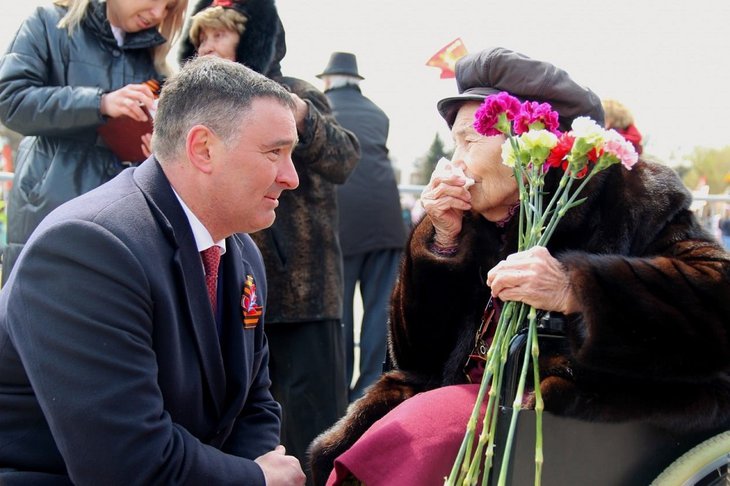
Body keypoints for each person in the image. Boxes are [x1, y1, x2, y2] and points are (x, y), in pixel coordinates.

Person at [308, 47, 730, 485]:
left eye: (469, 141)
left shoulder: (634, 193)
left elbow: (718, 297)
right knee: (378, 438)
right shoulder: (474, 217)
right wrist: (443, 244)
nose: (454, 163)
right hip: (474, 408)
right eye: (454, 142)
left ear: (528, 143)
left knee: (425, 430)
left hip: (588, 418)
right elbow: (416, 360)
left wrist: (577, 289)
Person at [0, 55, 306, 486]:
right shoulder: (88, 248)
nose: (291, 177)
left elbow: (253, 404)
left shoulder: (240, 254)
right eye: (275, 152)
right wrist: (253, 480)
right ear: (203, 148)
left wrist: (252, 470)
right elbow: (123, 462)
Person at [179, 0, 360, 473]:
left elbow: (345, 158)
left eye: (219, 35)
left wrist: (301, 115)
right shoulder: (192, 112)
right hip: (226, 294)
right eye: (200, 38)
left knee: (312, 424)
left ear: (250, 38)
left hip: (304, 293)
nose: (207, 47)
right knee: (238, 424)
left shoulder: (296, 92)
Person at [0, 0, 189, 284]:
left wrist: (157, 150)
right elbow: (10, 99)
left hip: (124, 220)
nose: (159, 14)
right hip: (49, 206)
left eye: (169, 7)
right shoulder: (48, 22)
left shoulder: (155, 60)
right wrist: (99, 102)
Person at [317, 52, 407, 402]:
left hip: (343, 220)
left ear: (328, 79)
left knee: (339, 311)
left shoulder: (321, 108)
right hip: (386, 220)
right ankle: (370, 388)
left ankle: (338, 389)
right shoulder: (378, 113)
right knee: (380, 310)